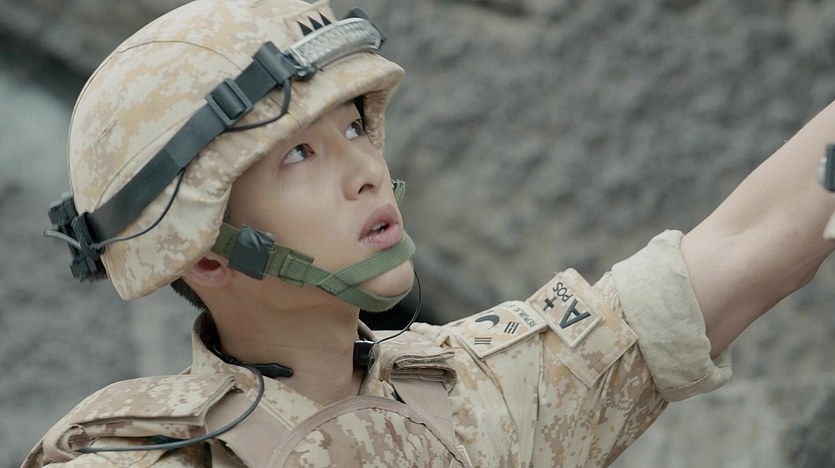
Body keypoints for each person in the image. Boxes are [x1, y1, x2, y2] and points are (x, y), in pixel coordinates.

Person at [22, 0, 835, 466]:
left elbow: (737, 253)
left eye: (354, 126)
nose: (366, 171)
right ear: (203, 253)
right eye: (299, 154)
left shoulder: (476, 391)